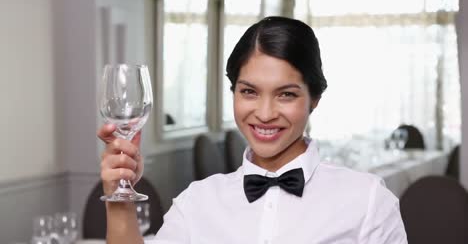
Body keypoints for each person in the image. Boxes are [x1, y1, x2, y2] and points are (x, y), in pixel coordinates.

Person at [98, 16, 408, 243]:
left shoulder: (367, 201)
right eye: (249, 92)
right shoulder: (196, 203)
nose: (265, 113)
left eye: (286, 94)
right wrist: (119, 197)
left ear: (314, 99)